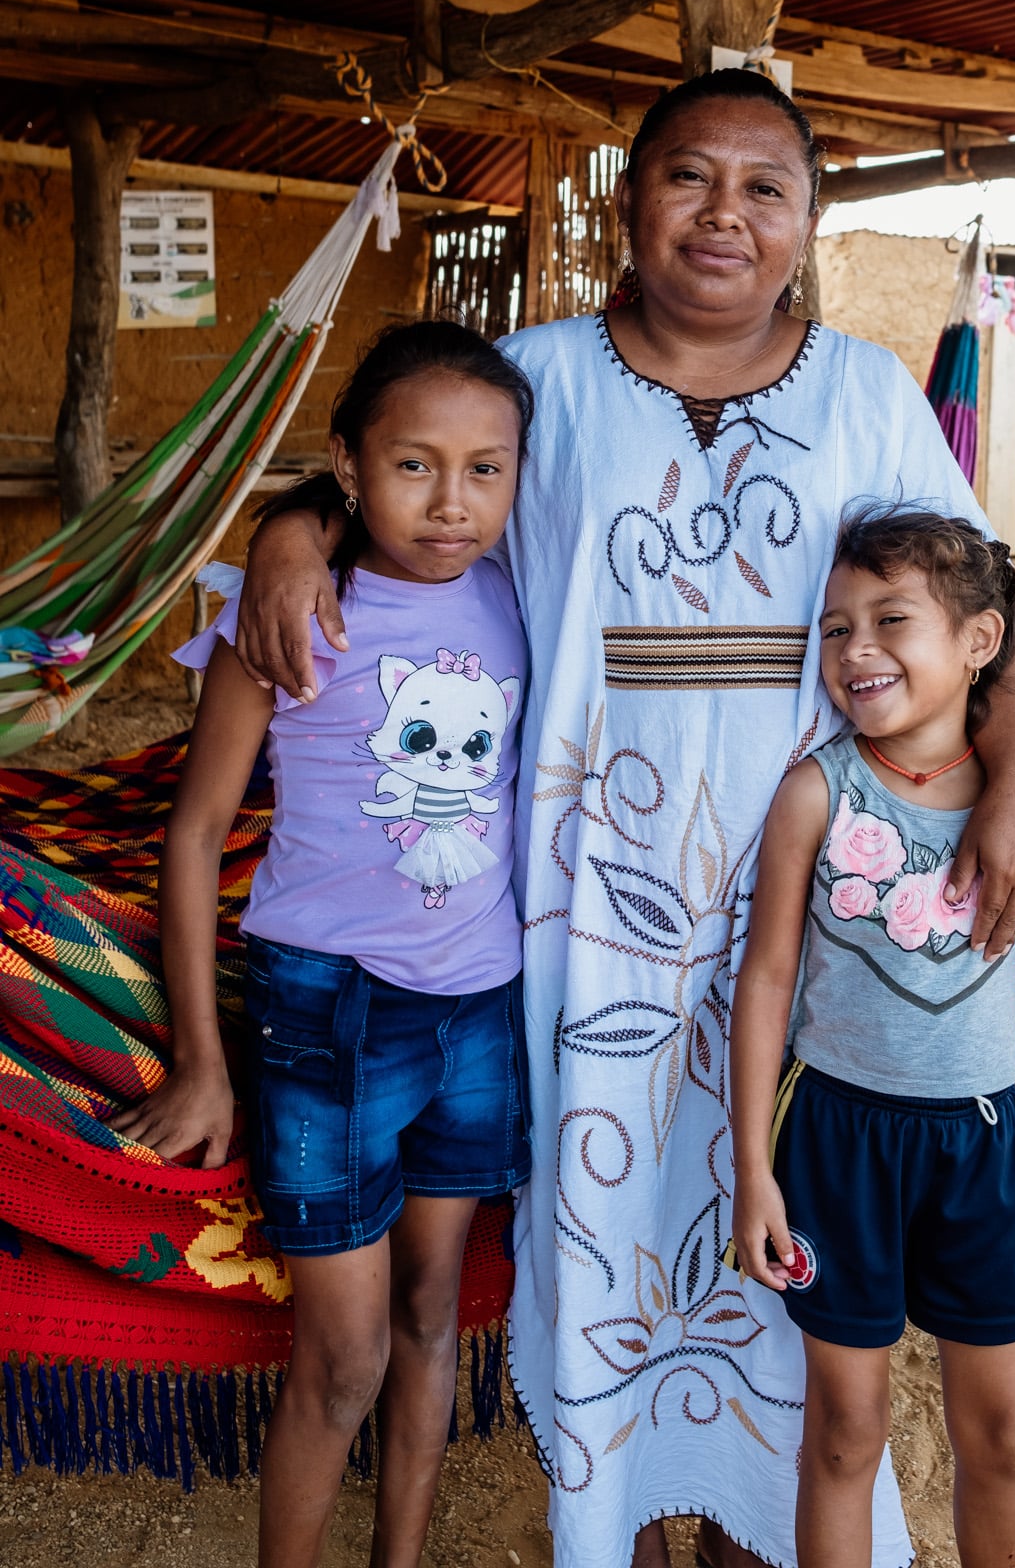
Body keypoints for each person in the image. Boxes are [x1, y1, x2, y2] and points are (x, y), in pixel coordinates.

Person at [234, 70, 1015, 1568]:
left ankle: (757, 1532)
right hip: (584, 912)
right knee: (616, 1215)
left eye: (765, 187)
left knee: (782, 1222)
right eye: (688, 178)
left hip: (812, 917)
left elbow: (987, 600)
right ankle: (617, 1519)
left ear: (810, 222)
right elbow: (407, 474)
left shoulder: (868, 392)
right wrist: (294, 529)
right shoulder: (536, 374)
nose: (723, 214)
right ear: (628, 202)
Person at [110, 321, 536, 1568]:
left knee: (430, 1315)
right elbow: (195, 837)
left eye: (485, 468)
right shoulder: (292, 608)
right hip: (326, 1010)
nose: (452, 501)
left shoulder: (524, 596)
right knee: (342, 1352)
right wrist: (204, 1059)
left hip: (481, 1009)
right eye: (414, 465)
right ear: (347, 466)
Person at [729, 508, 1015, 1568]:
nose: (855, 649)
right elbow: (768, 979)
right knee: (843, 1432)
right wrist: (753, 1171)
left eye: (890, 619)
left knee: (1001, 1435)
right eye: (835, 628)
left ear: (977, 644)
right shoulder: (815, 792)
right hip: (834, 1139)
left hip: (977, 1141)